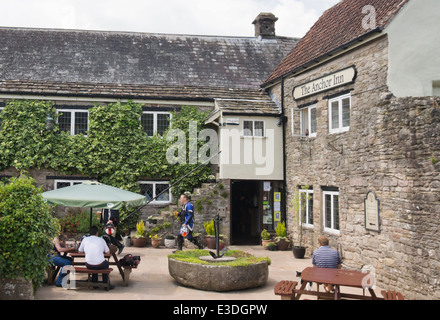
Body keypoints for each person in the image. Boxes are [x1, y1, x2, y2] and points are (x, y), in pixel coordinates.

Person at [78, 226, 114, 290]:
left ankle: (95, 283)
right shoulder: (101, 240)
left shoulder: (85, 239)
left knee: (93, 264)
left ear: (89, 233)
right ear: (97, 233)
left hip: (88, 265)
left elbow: (80, 251)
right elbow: (108, 252)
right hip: (101, 264)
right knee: (105, 263)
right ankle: (106, 283)